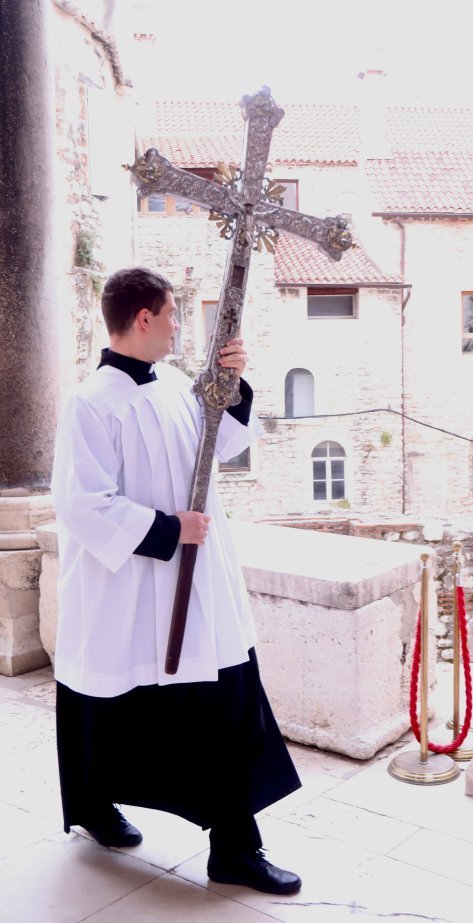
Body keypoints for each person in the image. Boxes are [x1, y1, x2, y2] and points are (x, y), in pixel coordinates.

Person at [51, 266, 302, 895]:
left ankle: (235, 850)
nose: (179, 326)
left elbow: (219, 445)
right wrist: (168, 530)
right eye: (173, 314)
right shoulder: (90, 403)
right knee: (102, 700)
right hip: (125, 589)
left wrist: (232, 384)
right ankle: (91, 805)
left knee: (227, 700)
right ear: (143, 319)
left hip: (198, 589)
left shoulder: (173, 390)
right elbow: (81, 503)